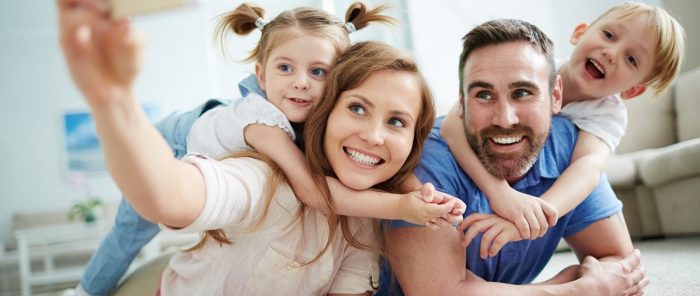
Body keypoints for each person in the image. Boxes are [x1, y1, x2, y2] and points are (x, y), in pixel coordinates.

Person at [56, 1, 459, 295]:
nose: (301, 82)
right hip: (170, 143)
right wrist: (114, 101)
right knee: (129, 232)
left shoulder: (359, 209)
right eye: (357, 108)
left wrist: (483, 195)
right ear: (261, 75)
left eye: (317, 72)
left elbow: (448, 128)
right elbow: (174, 196)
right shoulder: (263, 133)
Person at [381, 19, 648, 295]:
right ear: (461, 102)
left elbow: (622, 268)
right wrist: (579, 289)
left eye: (522, 93)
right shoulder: (426, 161)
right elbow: (439, 293)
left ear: (555, 95)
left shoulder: (573, 147)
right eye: (484, 95)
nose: (505, 119)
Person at [440, 1, 686, 256]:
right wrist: (499, 193)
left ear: (632, 90)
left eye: (631, 58)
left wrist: (533, 216)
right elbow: (451, 123)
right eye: (609, 35)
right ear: (580, 32)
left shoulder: (607, 113)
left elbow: (587, 167)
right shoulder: (536, 67)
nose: (611, 53)